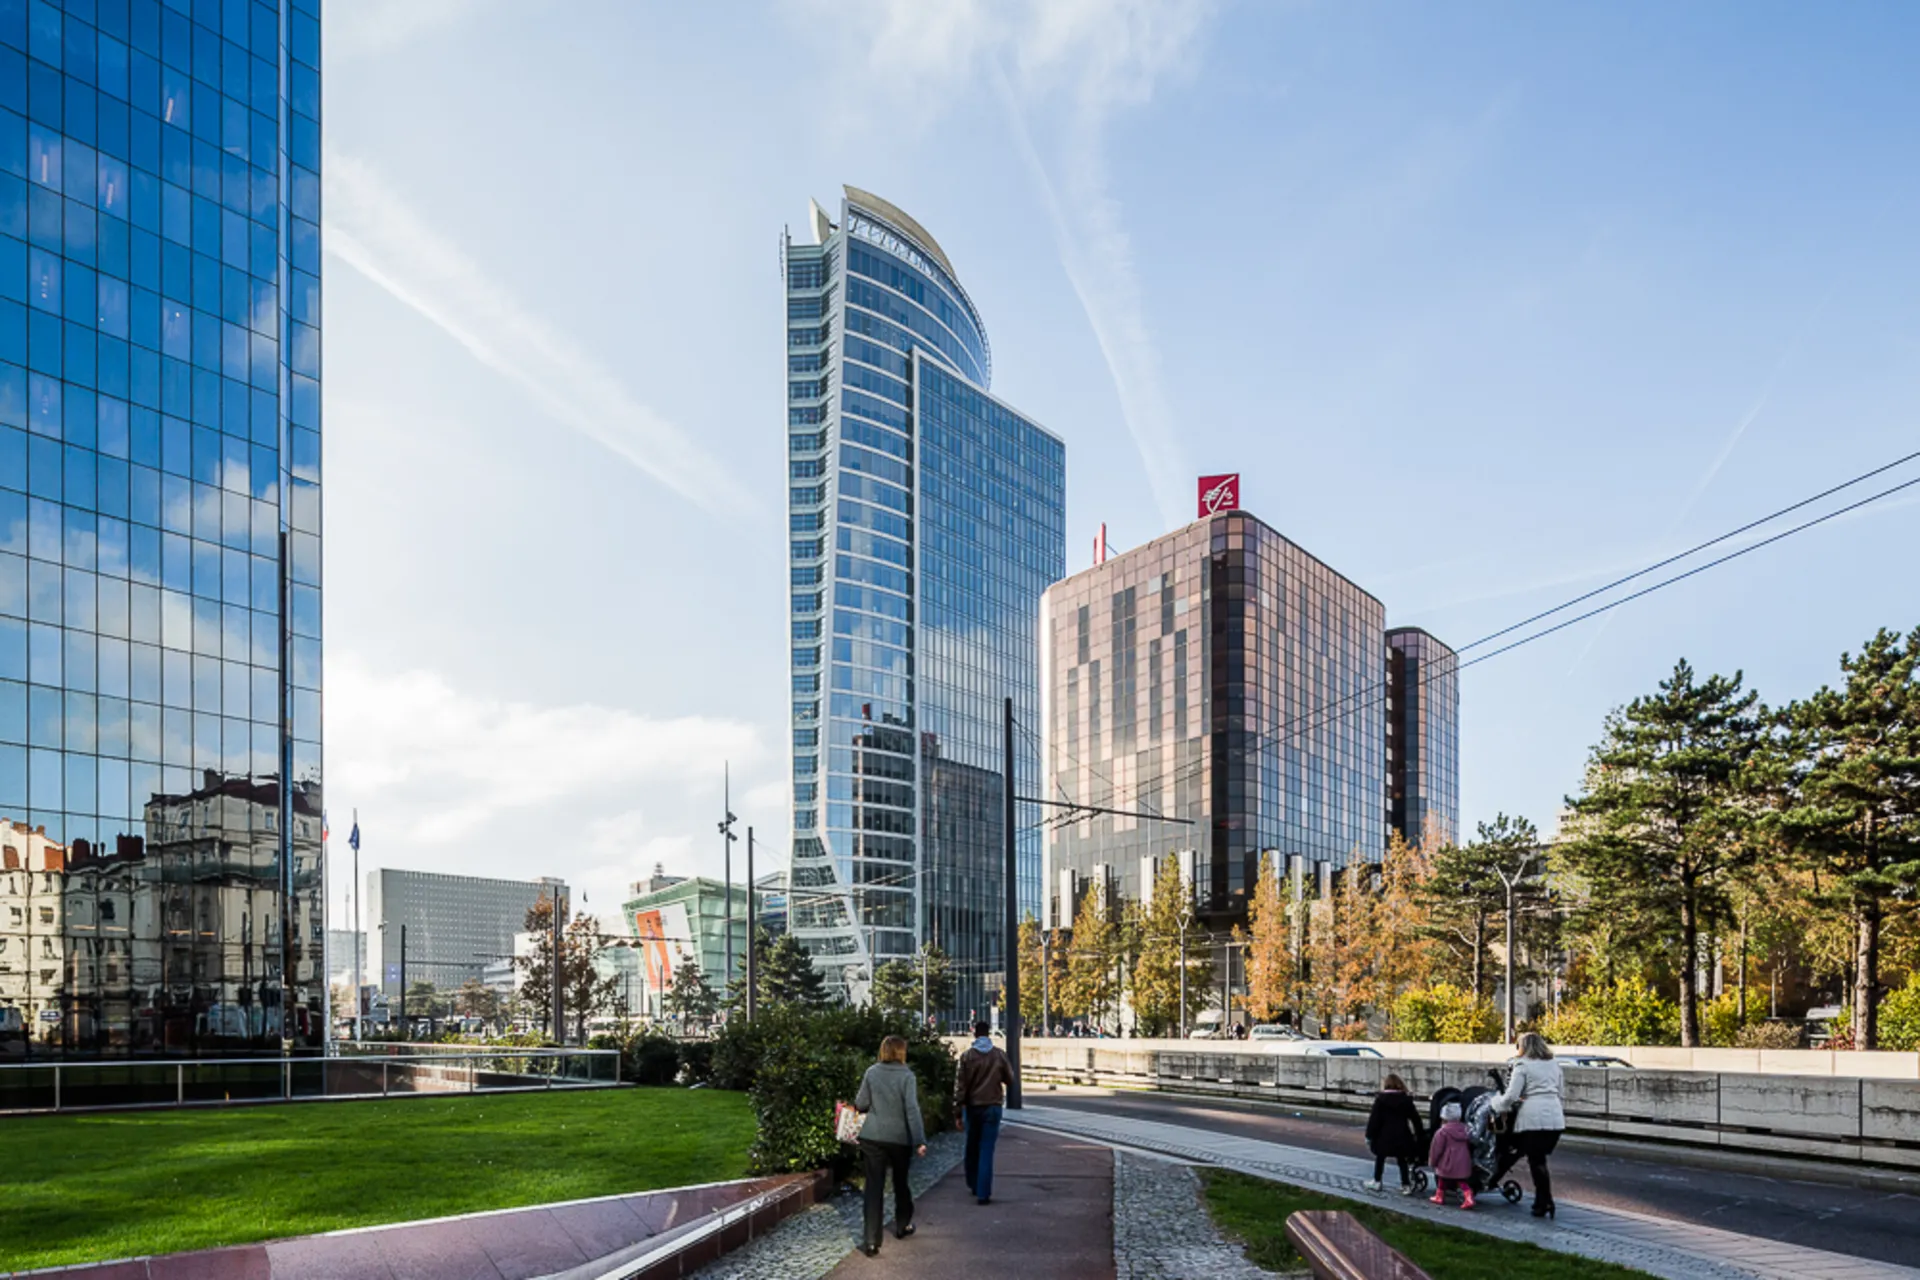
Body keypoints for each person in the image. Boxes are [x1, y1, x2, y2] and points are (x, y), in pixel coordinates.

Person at [853, 1035, 927, 1256]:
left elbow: (861, 1103)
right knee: (900, 1182)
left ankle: (871, 1241)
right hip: (899, 1138)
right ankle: (903, 1224)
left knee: (873, 1186)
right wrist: (919, 1140)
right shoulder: (907, 1076)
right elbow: (912, 1110)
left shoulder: (871, 1072)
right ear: (901, 1052)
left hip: (872, 1136)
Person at [1492, 1031, 1567, 1219]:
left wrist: (1495, 1103)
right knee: (1539, 1159)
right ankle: (1543, 1201)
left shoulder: (1522, 1065)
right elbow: (1560, 1092)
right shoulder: (1554, 1065)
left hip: (1533, 1117)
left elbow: (1511, 1096)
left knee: (1533, 1159)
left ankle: (1545, 1201)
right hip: (1555, 1117)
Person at [954, 1019, 1015, 1204]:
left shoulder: (967, 1056)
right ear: (988, 1034)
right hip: (993, 1106)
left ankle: (973, 1183)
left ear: (974, 1033)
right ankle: (984, 1192)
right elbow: (1010, 1079)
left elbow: (960, 1087)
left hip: (973, 1107)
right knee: (987, 1149)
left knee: (972, 1146)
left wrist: (957, 1111)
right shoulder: (999, 1055)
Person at [1363, 1073, 1423, 1195]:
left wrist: (1369, 1135)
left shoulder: (1380, 1100)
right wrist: (1419, 1134)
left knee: (1380, 1158)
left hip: (1383, 1136)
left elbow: (1374, 1120)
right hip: (1402, 1135)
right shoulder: (1406, 1100)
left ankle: (1377, 1181)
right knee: (1402, 1160)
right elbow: (1416, 1119)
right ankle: (1405, 1184)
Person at [1427, 1101, 1475, 1209]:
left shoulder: (1442, 1132)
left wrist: (1433, 1161)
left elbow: (1436, 1149)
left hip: (1447, 1160)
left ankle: (1439, 1196)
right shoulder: (1465, 1129)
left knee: (1442, 1178)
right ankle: (1468, 1197)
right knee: (1462, 1181)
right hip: (1463, 1159)